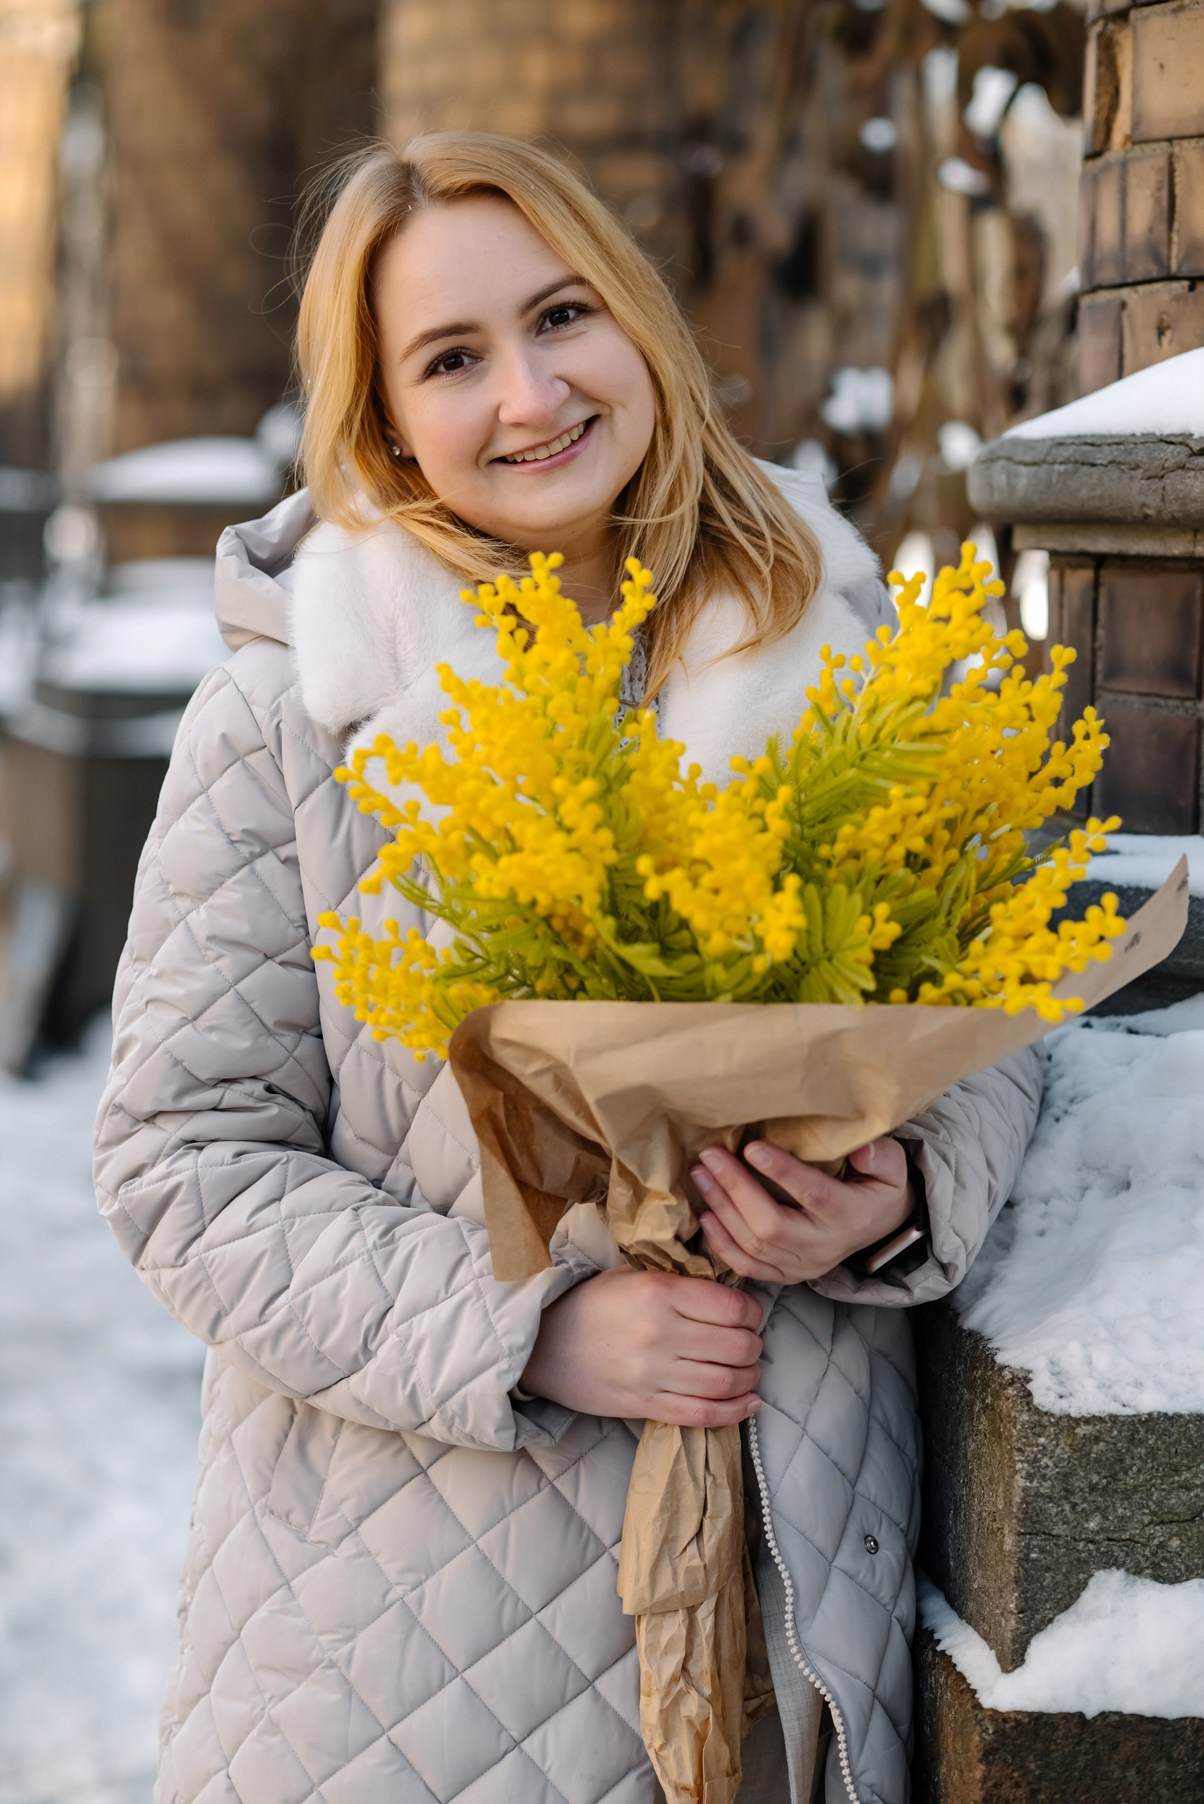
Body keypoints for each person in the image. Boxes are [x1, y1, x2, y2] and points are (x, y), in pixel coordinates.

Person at [93, 132, 1042, 1804]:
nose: (529, 394)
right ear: (386, 419)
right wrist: (528, 1329)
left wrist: (891, 1194)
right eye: (453, 360)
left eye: (563, 317)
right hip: (408, 1641)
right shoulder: (294, 717)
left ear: (643, 327)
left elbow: (996, 1020)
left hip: (795, 1591)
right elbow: (183, 1163)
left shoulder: (838, 652)